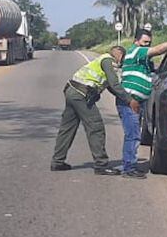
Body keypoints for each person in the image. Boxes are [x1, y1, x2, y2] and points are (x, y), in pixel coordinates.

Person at [116, 29, 167, 178]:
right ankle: (129, 167)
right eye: (145, 42)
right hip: (129, 101)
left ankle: (129, 164)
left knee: (134, 134)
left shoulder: (144, 61)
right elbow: (158, 50)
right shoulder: (136, 52)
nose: (147, 45)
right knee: (133, 135)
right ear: (136, 41)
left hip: (137, 101)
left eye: (149, 42)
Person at [51, 46, 139, 175]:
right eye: (123, 59)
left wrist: (122, 97)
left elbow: (110, 86)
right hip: (81, 94)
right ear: (120, 55)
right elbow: (114, 84)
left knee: (67, 128)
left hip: (71, 90)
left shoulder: (101, 59)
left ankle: (57, 162)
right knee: (96, 127)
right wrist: (130, 100)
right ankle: (101, 164)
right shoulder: (109, 61)